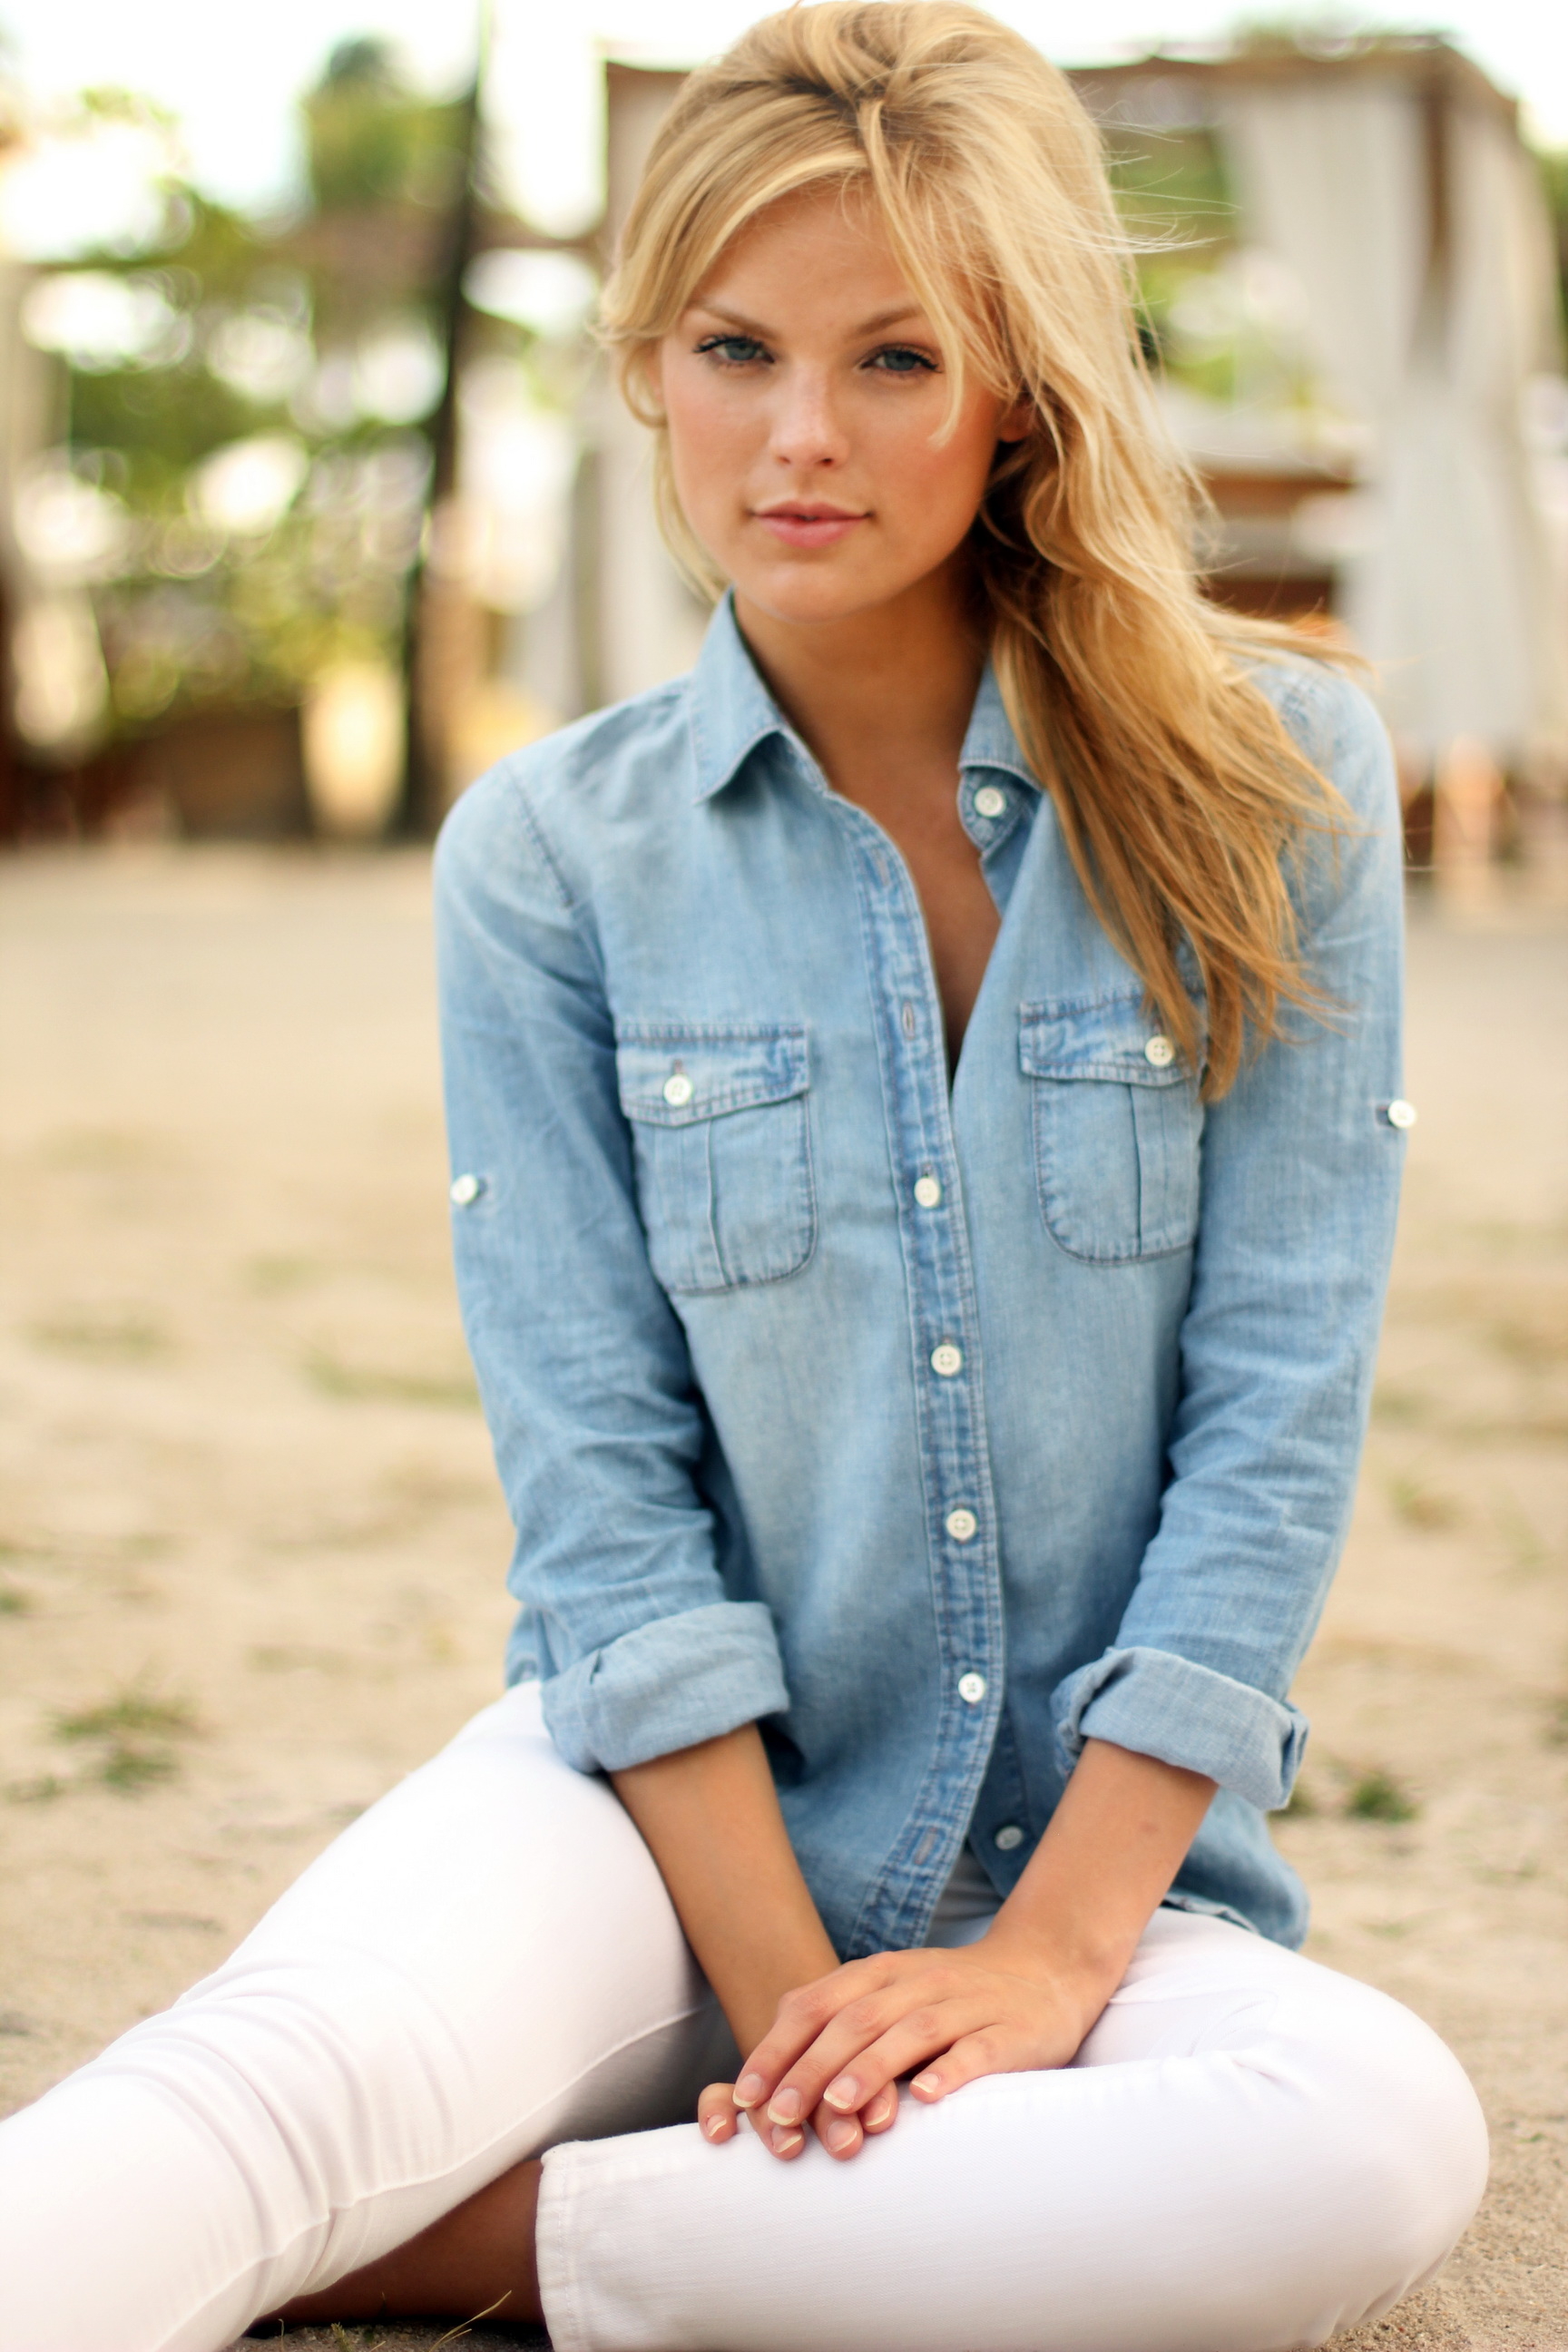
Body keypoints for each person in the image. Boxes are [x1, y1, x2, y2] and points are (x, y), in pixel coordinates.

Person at [0, 6, 1487, 2348]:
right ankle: (598, 2208)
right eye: (735, 349)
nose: (802, 435)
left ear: (1021, 394)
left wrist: (1044, 1962)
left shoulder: (1278, 786)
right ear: (646, 367)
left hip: (1096, 1890)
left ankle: (451, 2252)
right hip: (637, 1827)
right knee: (245, 2096)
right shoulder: (549, 857)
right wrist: (805, 2024)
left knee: (1374, 2140)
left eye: (896, 358)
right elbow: (599, 1489)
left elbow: (1276, 1415)